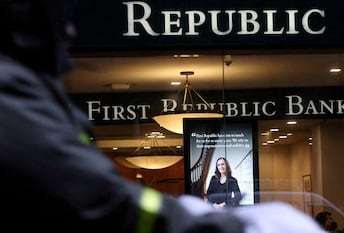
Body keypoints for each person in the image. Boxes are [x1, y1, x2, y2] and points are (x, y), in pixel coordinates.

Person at [0, 0, 327, 232]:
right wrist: (230, 225)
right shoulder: (8, 88)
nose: (70, 32)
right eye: (58, 17)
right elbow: (96, 198)